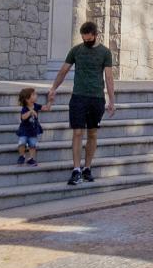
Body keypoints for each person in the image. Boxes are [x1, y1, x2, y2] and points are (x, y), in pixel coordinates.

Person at [45, 20, 116, 185]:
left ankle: (87, 168)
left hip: (96, 98)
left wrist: (112, 100)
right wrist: (53, 88)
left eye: (89, 39)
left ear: (95, 35)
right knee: (77, 132)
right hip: (78, 97)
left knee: (92, 134)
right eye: (84, 39)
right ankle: (76, 169)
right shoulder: (76, 50)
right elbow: (64, 70)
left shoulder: (105, 53)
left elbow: (109, 77)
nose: (86, 42)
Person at [15, 86, 46, 166]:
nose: (36, 95)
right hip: (24, 130)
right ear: (27, 99)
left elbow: (46, 108)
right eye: (34, 94)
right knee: (22, 143)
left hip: (33, 130)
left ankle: (31, 159)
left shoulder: (36, 106)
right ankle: (22, 156)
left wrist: (50, 101)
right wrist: (30, 112)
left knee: (32, 145)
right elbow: (23, 117)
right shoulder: (25, 108)